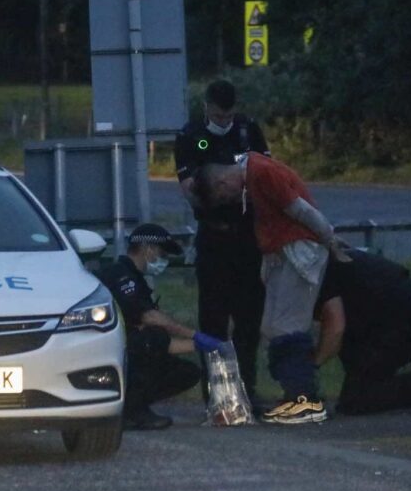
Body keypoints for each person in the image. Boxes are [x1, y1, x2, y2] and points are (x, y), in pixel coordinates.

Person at [196, 155, 350, 425]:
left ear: (222, 183)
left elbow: (301, 210)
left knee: (286, 327)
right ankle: (298, 392)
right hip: (284, 252)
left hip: (297, 250)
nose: (232, 200)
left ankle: (303, 397)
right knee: (271, 326)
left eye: (225, 197)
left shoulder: (262, 174)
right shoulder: (258, 172)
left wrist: (330, 241)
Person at [174, 80, 269, 401]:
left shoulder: (247, 130)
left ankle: (248, 390)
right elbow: (189, 188)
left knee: (248, 321)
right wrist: (218, 190)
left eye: (229, 116)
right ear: (207, 108)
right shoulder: (192, 136)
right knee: (213, 320)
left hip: (247, 239)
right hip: (215, 238)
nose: (224, 122)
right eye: (218, 116)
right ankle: (215, 394)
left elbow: (265, 173)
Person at [96, 223, 222, 430]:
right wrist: (193, 334)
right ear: (148, 249)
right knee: (151, 337)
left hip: (126, 350)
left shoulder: (137, 280)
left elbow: (163, 343)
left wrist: (202, 345)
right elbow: (149, 318)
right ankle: (133, 410)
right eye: (162, 254)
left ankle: (134, 406)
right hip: (109, 350)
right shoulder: (121, 276)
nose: (162, 260)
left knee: (186, 372)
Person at [314, 248, 411, 414]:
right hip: (406, 318)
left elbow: (335, 330)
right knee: (358, 389)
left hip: (402, 325)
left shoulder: (322, 274)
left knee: (355, 401)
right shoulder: (337, 260)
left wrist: (310, 367)